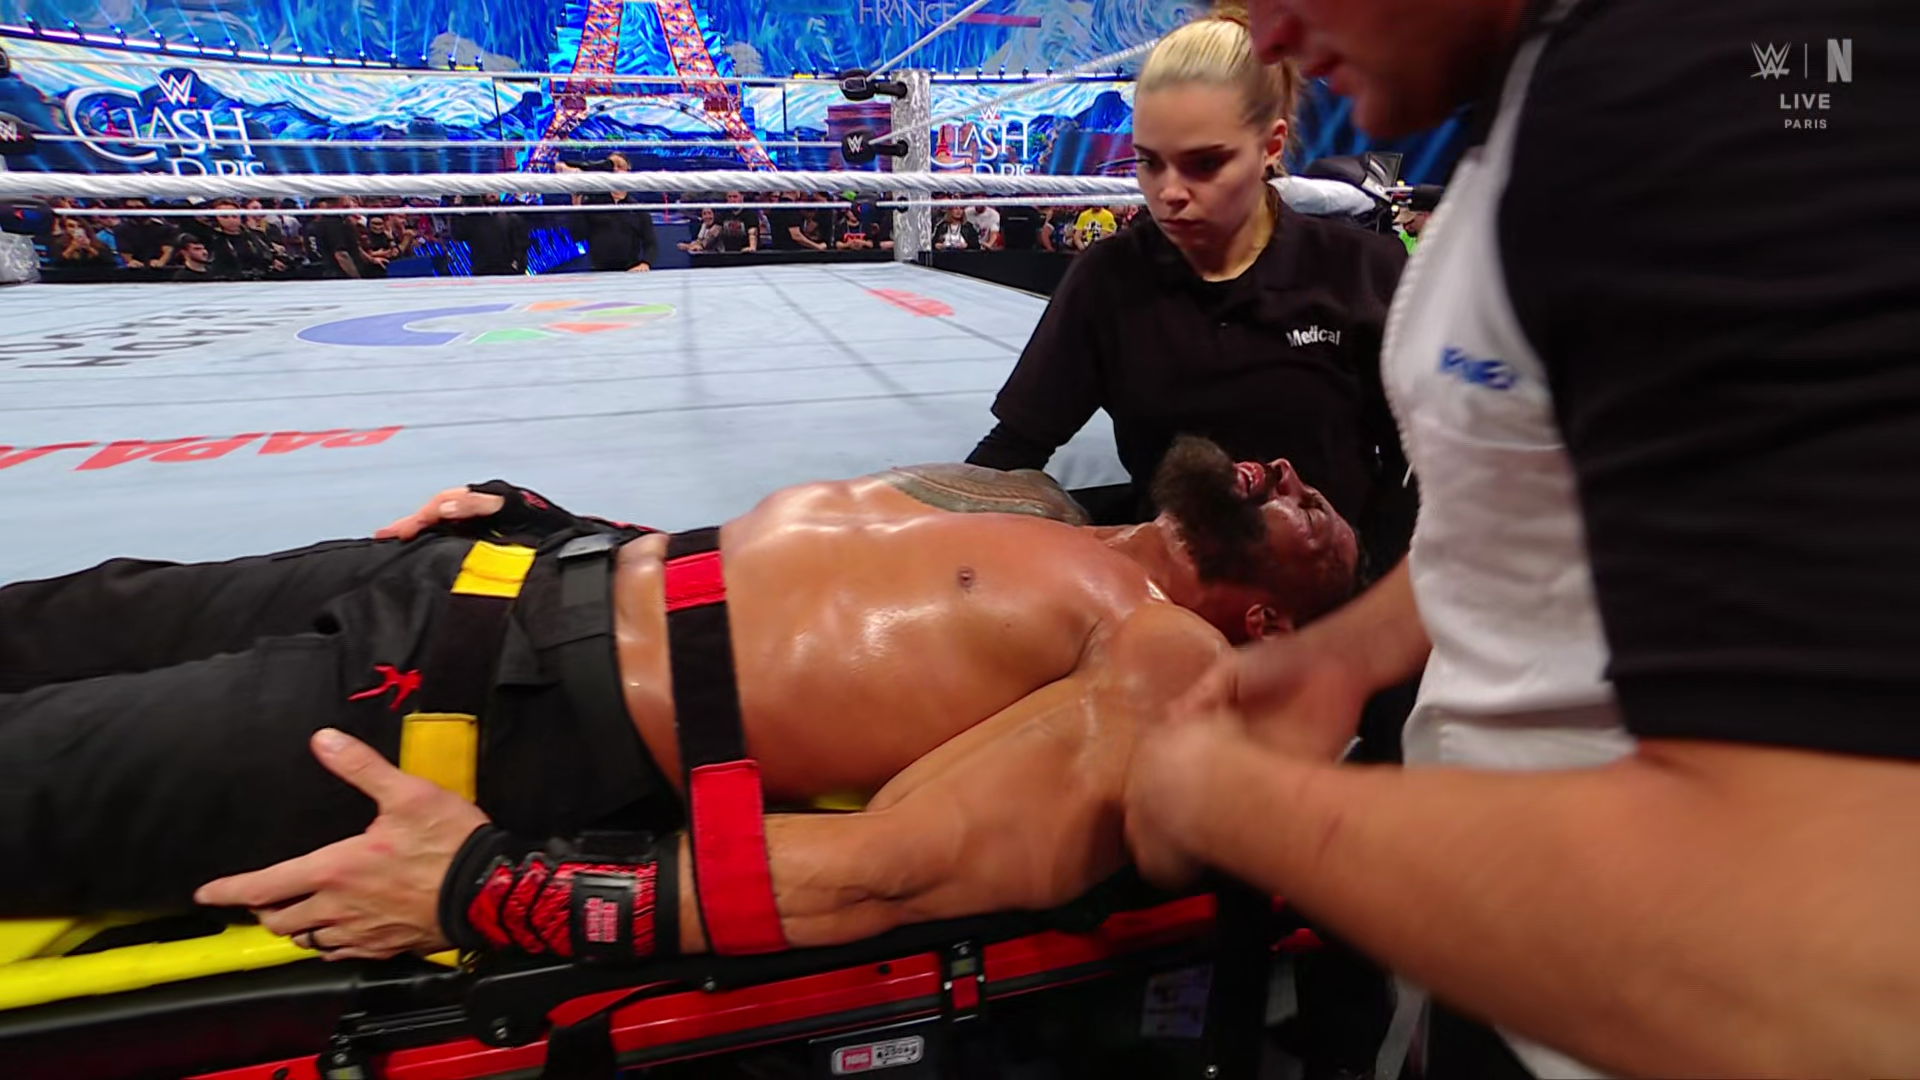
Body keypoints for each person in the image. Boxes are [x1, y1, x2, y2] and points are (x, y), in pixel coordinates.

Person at [1122, 0, 1920, 1077]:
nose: (1268, 34)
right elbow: (1548, 485)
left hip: (1641, 997)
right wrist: (1348, 654)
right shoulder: (1554, 91)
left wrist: (1242, 807)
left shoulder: (1698, 98)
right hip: (1521, 949)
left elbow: (1841, 968)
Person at [0, 440, 1357, 968]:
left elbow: (901, 866)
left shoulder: (1160, 655)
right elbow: (761, 577)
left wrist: (487, 887)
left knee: (33, 777)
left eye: (1322, 515)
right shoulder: (1032, 507)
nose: (1289, 471)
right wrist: (557, 521)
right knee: (55, 614)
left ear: (1273, 625)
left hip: (484, 711)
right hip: (483, 574)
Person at [966, 10, 1407, 563]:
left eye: (1204, 163)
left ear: (1271, 147)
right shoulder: (1110, 278)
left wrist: (1371, 588)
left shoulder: (1360, 270)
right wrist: (905, 541)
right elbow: (1014, 449)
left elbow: (1419, 465)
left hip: (1342, 592)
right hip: (1168, 590)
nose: (1169, 192)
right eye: (1149, 163)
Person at [568, 153, 658, 272]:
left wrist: (645, 263)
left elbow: (650, 243)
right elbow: (578, 236)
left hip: (631, 271)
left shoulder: (637, 209)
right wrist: (577, 208)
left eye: (619, 166)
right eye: (610, 167)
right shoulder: (593, 205)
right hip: (599, 272)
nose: (615, 170)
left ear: (628, 172)